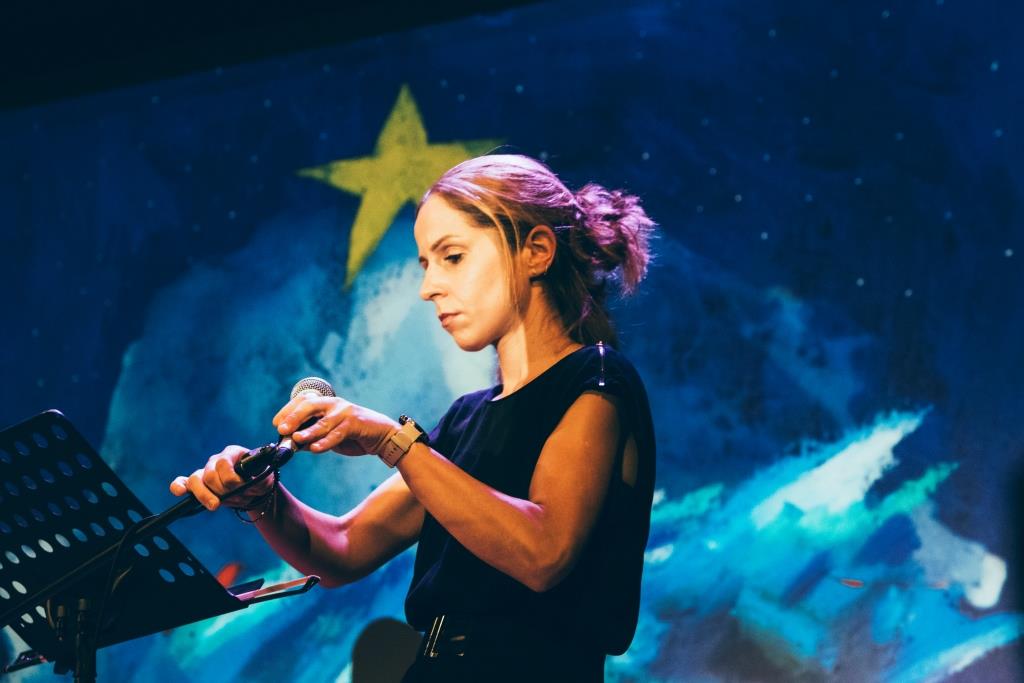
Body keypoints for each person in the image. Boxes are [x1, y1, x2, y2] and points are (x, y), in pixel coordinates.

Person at [170, 154, 657, 682]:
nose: (428, 288)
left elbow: (542, 552)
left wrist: (392, 443)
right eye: (426, 264)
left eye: (452, 257)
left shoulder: (597, 380)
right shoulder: (466, 419)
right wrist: (264, 499)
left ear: (536, 251)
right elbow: (343, 548)